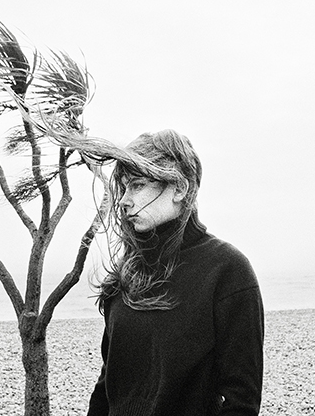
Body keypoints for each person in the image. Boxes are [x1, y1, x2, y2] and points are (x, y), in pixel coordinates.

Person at [86, 129, 264, 416]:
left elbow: (241, 400)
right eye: (124, 186)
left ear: (179, 189)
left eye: (138, 185)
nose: (124, 200)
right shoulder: (128, 271)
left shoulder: (227, 270)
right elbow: (109, 383)